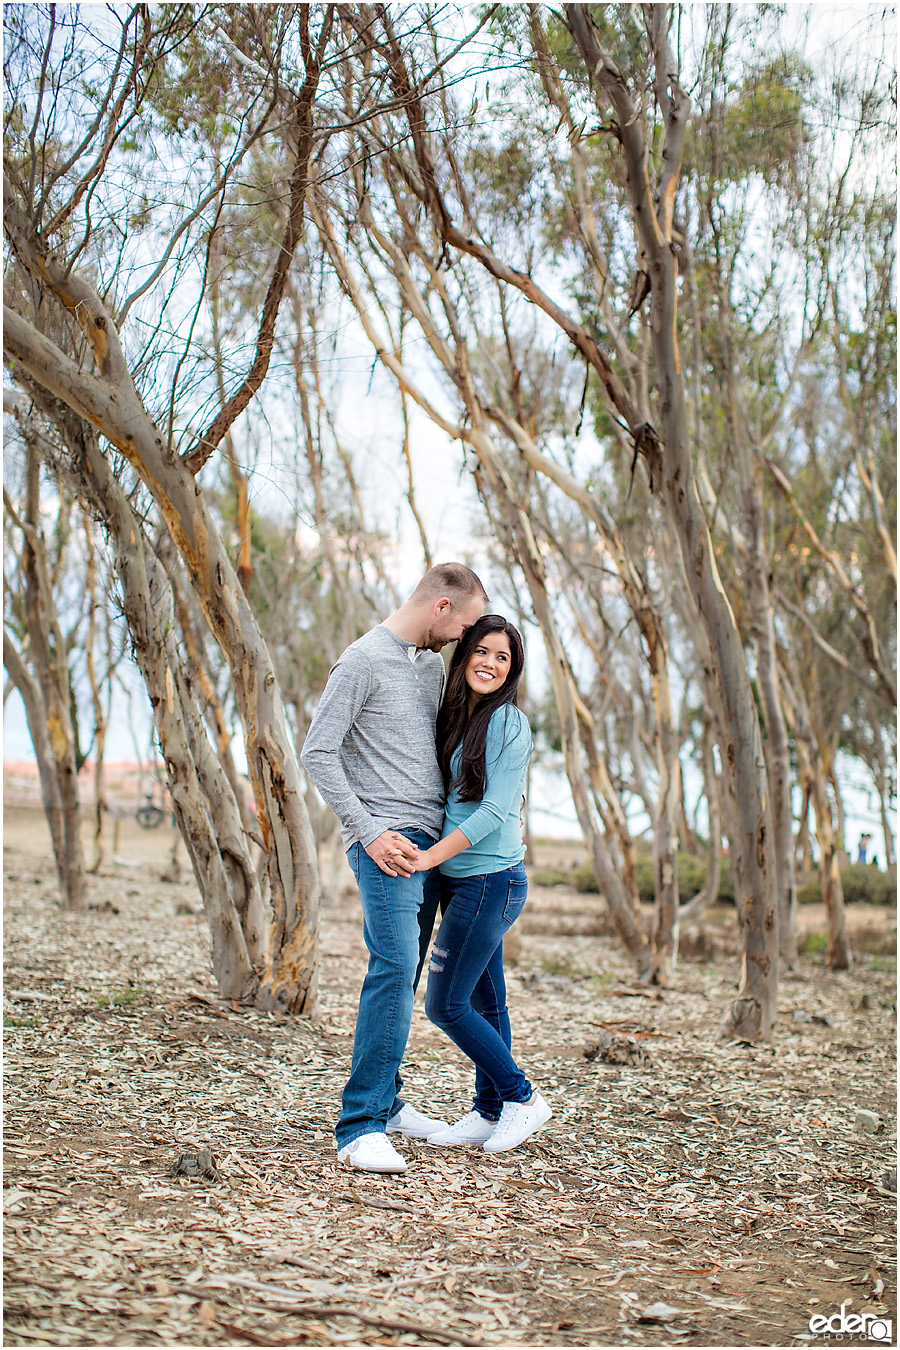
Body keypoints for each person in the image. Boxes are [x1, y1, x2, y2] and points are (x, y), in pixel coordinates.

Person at [300, 563, 488, 1174]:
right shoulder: (362, 660)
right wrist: (369, 831)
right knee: (394, 967)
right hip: (388, 843)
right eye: (462, 623)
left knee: (404, 979)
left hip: (430, 844)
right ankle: (359, 1128)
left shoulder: (429, 666)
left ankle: (389, 1103)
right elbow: (318, 752)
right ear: (440, 607)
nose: (463, 637)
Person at [410, 615, 552, 1154]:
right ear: (465, 652)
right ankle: (490, 1110)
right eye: (484, 652)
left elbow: (495, 810)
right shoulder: (460, 716)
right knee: (488, 1005)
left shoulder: (508, 723)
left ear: (512, 671)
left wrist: (428, 859)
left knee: (445, 1005)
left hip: (490, 883)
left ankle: (522, 1098)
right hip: (465, 883)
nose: (491, 664)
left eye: (504, 658)